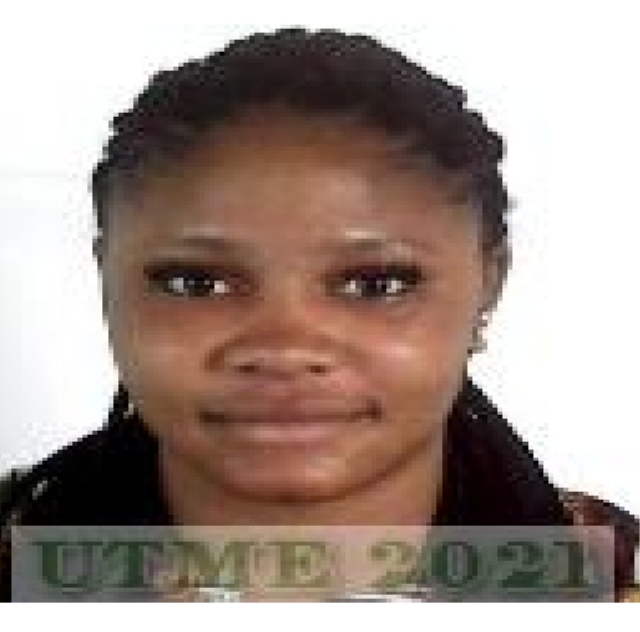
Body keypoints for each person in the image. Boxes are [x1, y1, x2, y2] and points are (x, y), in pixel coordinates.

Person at [0, 28, 637, 601]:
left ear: (488, 286)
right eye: (196, 282)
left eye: (376, 283)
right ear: (106, 278)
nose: (284, 347)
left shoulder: (612, 581)